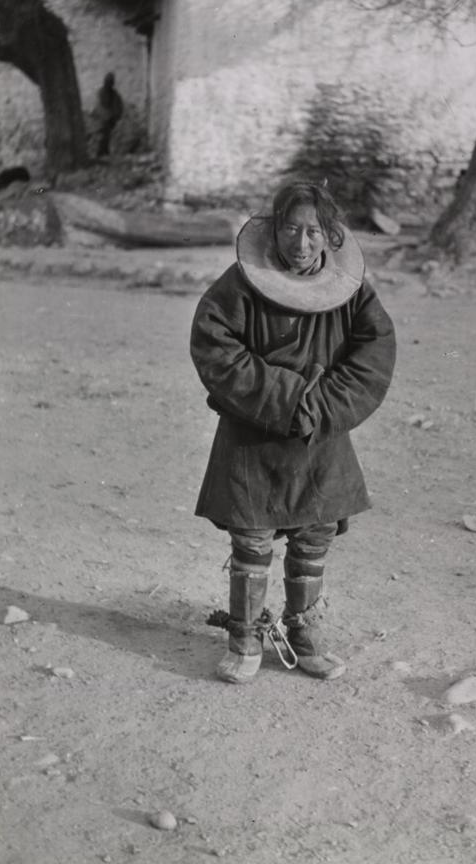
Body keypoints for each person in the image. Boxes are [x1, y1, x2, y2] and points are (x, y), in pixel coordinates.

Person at [190, 181, 396, 684]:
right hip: (254, 431)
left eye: (314, 232)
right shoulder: (240, 284)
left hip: (320, 435)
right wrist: (288, 397)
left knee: (313, 536)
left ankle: (303, 635)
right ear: (274, 229)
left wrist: (321, 406)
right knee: (253, 538)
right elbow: (215, 346)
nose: (301, 244)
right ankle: (245, 638)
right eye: (290, 229)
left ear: (330, 237)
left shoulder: (352, 293)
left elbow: (373, 356)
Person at [95, 72, 123, 157]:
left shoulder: (114, 94)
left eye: (111, 81)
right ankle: (100, 152)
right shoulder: (101, 92)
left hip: (110, 118)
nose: (110, 83)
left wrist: (115, 116)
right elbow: (102, 104)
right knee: (103, 135)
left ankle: (105, 151)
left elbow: (118, 105)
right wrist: (106, 116)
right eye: (108, 81)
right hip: (103, 118)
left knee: (107, 135)